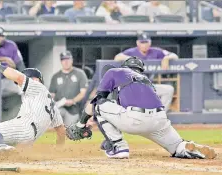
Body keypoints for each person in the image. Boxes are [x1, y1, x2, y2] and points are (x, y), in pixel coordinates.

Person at [66, 56, 217, 160]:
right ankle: (184, 147)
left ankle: (119, 147)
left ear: (125, 67)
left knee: (98, 105)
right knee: (177, 147)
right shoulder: (146, 81)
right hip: (160, 120)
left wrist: (81, 123)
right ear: (140, 70)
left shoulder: (115, 71)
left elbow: (96, 102)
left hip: (135, 119)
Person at [0, 61, 65, 158]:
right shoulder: (52, 106)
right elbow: (61, 130)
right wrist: (59, 147)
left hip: (24, 127)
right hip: (28, 138)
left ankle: (2, 148)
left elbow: (18, 77)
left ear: (36, 79)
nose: (19, 85)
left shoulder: (36, 86)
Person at [114, 33, 176, 112]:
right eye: (142, 42)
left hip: (149, 86)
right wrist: (131, 58)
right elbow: (117, 57)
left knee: (169, 89)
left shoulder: (156, 51)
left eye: (146, 42)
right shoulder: (132, 52)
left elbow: (174, 55)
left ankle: (160, 115)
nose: (144, 45)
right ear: (137, 43)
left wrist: (167, 58)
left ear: (150, 43)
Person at [49, 51, 88, 127]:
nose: (66, 62)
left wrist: (73, 101)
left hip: (74, 109)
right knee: (54, 127)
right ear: (61, 61)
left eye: (68, 59)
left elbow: (83, 92)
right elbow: (51, 95)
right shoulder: (55, 76)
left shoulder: (80, 73)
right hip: (59, 108)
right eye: (63, 59)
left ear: (72, 60)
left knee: (70, 131)